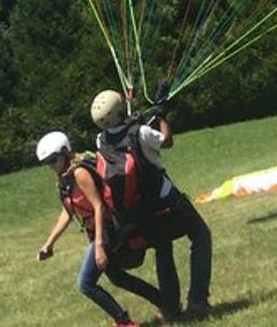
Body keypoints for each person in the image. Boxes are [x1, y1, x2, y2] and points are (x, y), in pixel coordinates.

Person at [91, 89, 213, 321]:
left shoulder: (101, 141)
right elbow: (167, 141)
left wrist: (140, 116)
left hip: (139, 215)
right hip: (166, 201)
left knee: (163, 249)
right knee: (200, 234)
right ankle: (197, 301)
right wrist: (161, 115)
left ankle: (170, 309)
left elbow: (122, 130)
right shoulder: (142, 133)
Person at [36, 131, 168, 327]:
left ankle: (124, 322)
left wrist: (99, 246)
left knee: (86, 284)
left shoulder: (80, 173)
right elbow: (67, 212)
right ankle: (165, 302)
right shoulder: (65, 179)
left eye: (53, 160)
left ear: (65, 152)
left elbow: (98, 206)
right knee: (118, 278)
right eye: (48, 162)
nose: (51, 166)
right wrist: (49, 244)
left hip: (107, 231)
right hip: (98, 233)